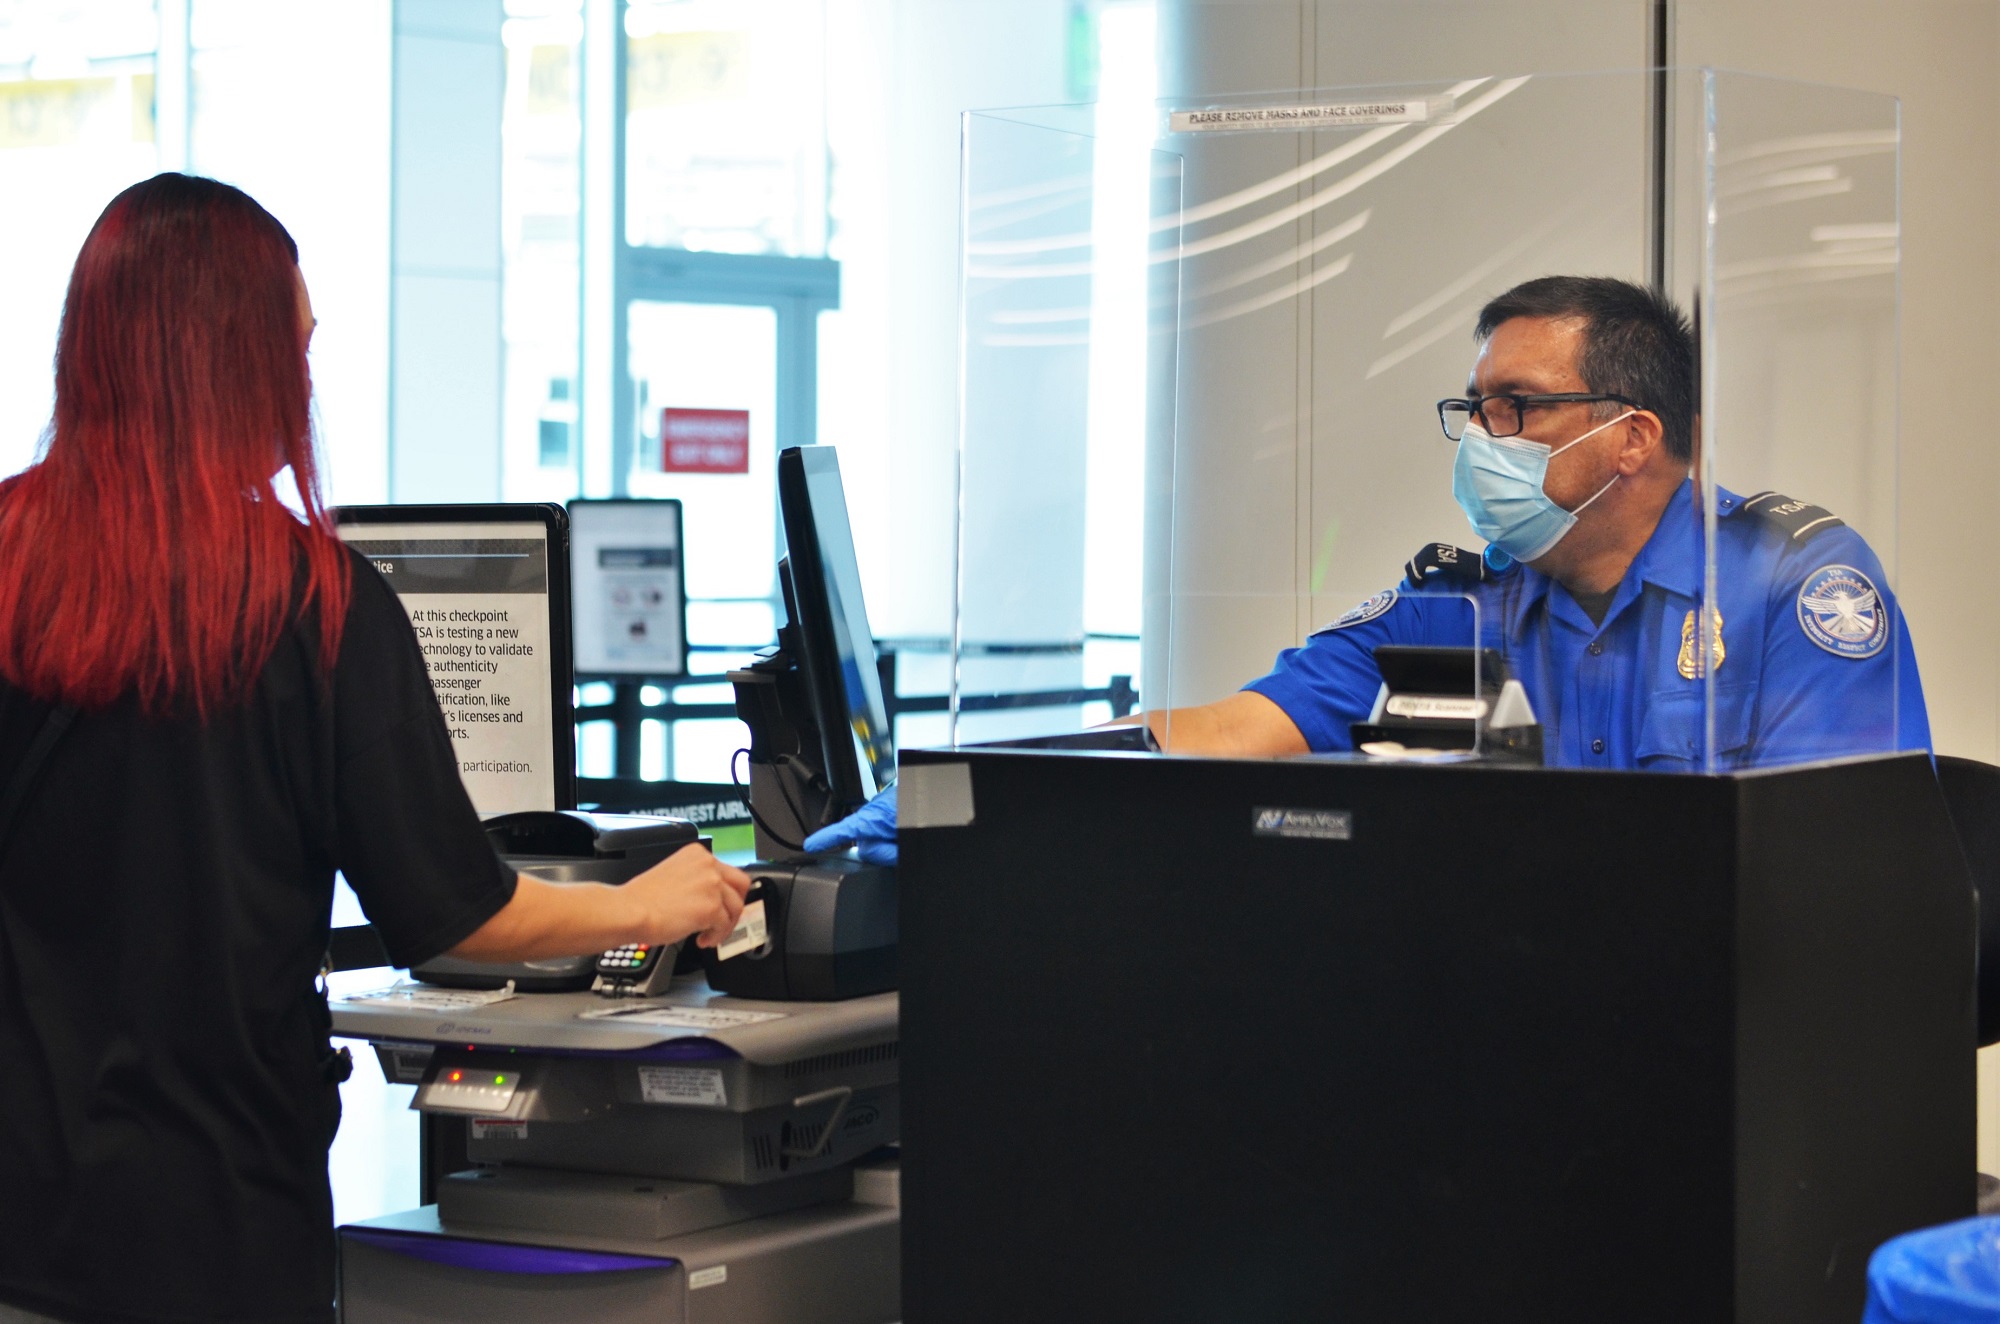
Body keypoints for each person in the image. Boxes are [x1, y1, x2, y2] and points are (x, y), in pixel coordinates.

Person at [0, 174, 751, 1324]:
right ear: (232, 361)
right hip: (220, 1230)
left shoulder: (9, 563)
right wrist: (647, 905)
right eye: (293, 347)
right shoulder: (311, 599)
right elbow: (457, 915)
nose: (304, 380)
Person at [808, 276, 1929, 863]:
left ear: (1631, 437)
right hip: (1534, 1027)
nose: (1478, 438)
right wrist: (962, 782)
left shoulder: (1795, 588)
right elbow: (1235, 729)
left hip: (1744, 1056)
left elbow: (1832, 883)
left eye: (1516, 409)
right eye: (1473, 407)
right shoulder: (1466, 599)